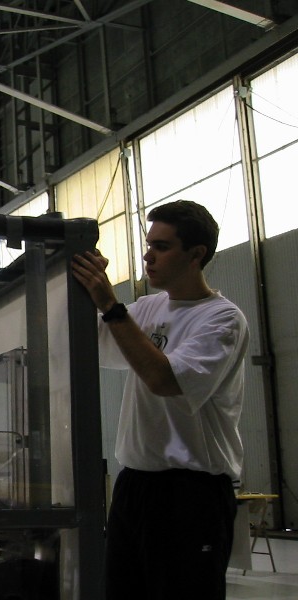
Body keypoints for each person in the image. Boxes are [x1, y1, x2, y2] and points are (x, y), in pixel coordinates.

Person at [71, 200, 249, 599]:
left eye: (162, 247)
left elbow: (163, 379)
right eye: (149, 244)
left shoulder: (221, 319)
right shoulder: (149, 308)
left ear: (196, 255)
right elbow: (88, 341)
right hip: (134, 485)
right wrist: (75, 280)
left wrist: (110, 305)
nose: (148, 256)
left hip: (191, 493)